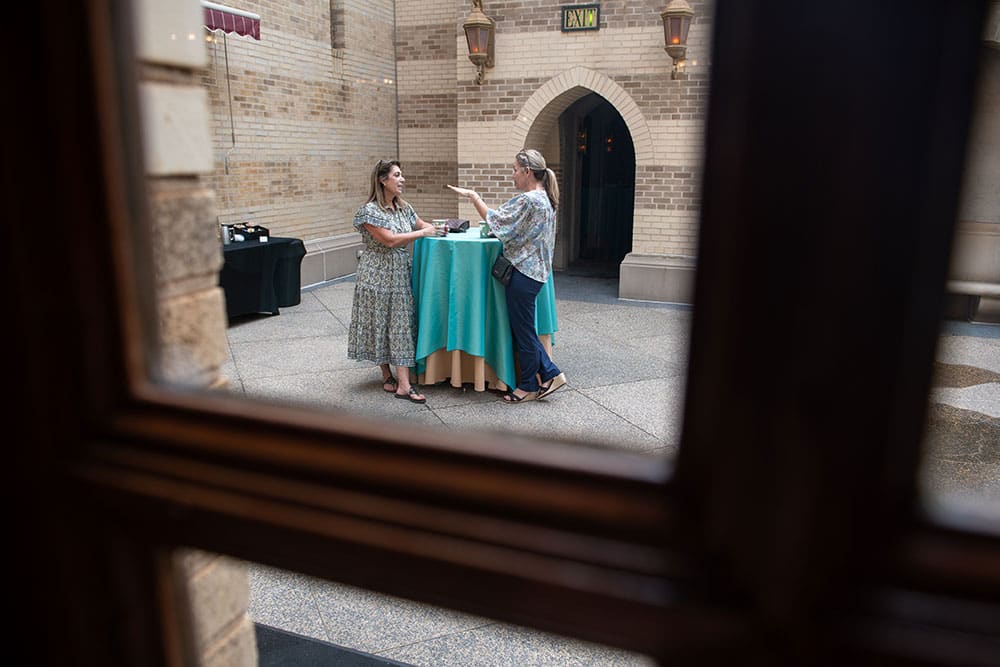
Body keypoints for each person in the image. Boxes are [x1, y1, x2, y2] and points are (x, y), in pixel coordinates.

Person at [447, 149, 567, 403]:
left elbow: (495, 220)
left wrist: (473, 196)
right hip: (535, 273)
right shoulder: (545, 198)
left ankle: (530, 385)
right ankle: (548, 374)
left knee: (523, 332)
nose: (512, 175)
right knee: (525, 329)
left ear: (527, 171)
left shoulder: (528, 200)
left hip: (524, 273)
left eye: (514, 170)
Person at [348, 159, 446, 403]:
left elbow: (421, 224)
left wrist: (438, 228)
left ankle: (403, 384)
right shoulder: (369, 211)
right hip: (376, 274)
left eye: (402, 175)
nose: (402, 180)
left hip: (400, 273)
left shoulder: (404, 207)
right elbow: (390, 240)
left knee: (400, 325)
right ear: (383, 180)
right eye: (397, 175)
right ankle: (387, 374)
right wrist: (422, 233)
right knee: (379, 323)